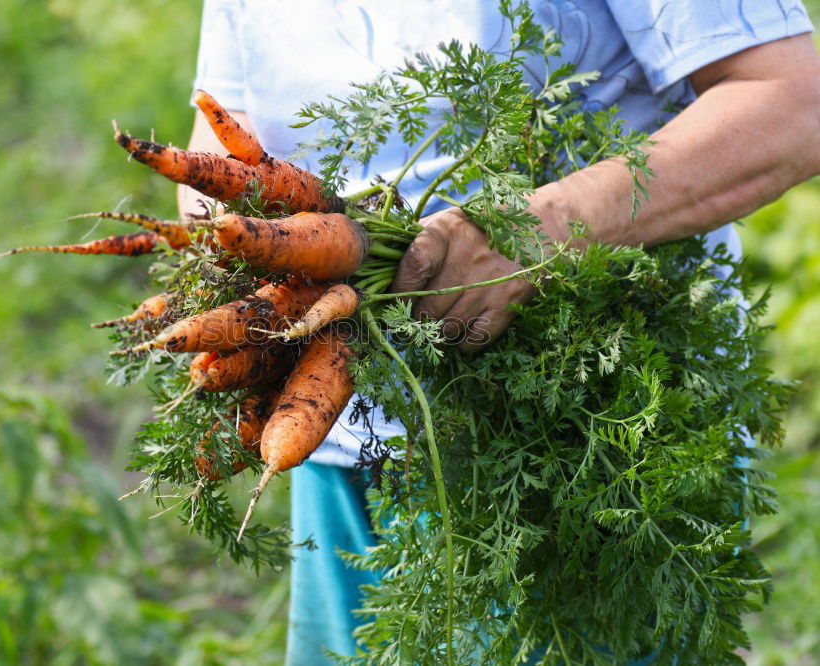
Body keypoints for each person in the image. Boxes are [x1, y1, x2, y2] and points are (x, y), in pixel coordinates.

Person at [179, 2, 820, 663]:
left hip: (600, 454)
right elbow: (223, 123)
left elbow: (791, 103)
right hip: (336, 430)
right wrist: (231, 249)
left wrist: (539, 229)